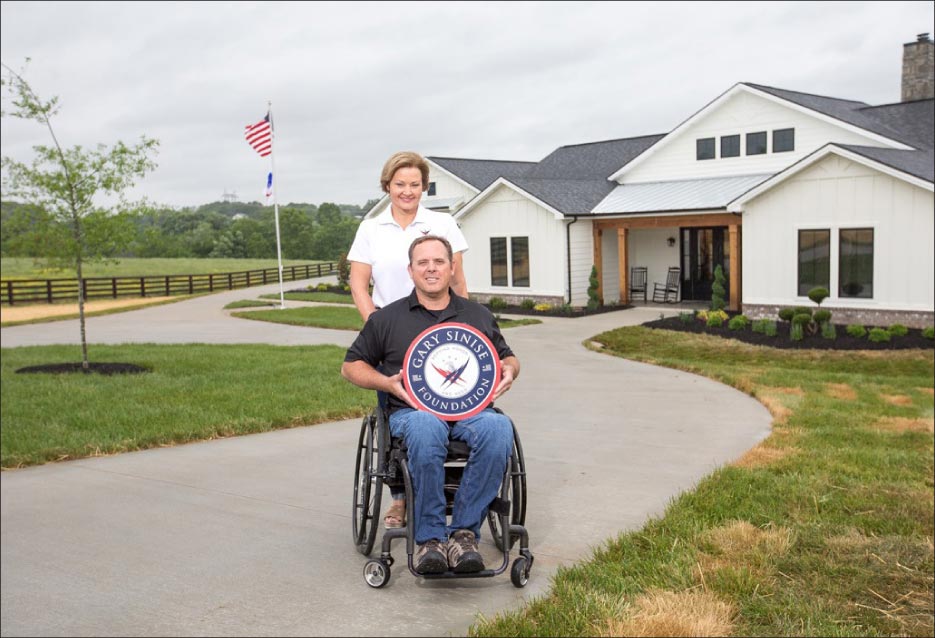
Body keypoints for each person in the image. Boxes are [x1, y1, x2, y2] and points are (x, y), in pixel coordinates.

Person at [341, 235, 520, 574]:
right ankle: (430, 539)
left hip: (470, 412)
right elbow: (350, 367)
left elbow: (506, 356)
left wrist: (510, 369)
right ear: (410, 270)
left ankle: (464, 534)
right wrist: (385, 381)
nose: (431, 268)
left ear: (452, 268)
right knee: (426, 426)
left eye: (439, 261)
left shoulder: (477, 315)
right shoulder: (386, 319)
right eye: (423, 263)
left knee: (499, 427)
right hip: (412, 412)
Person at [346, 151, 469, 530]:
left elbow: (459, 280)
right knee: (399, 410)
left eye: (415, 184)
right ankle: (399, 498)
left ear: (424, 187)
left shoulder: (442, 223)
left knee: (452, 401)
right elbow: (358, 283)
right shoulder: (371, 228)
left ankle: (454, 484)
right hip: (393, 331)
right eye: (400, 184)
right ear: (388, 186)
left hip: (441, 326)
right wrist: (379, 326)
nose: (408, 191)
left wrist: (467, 327)